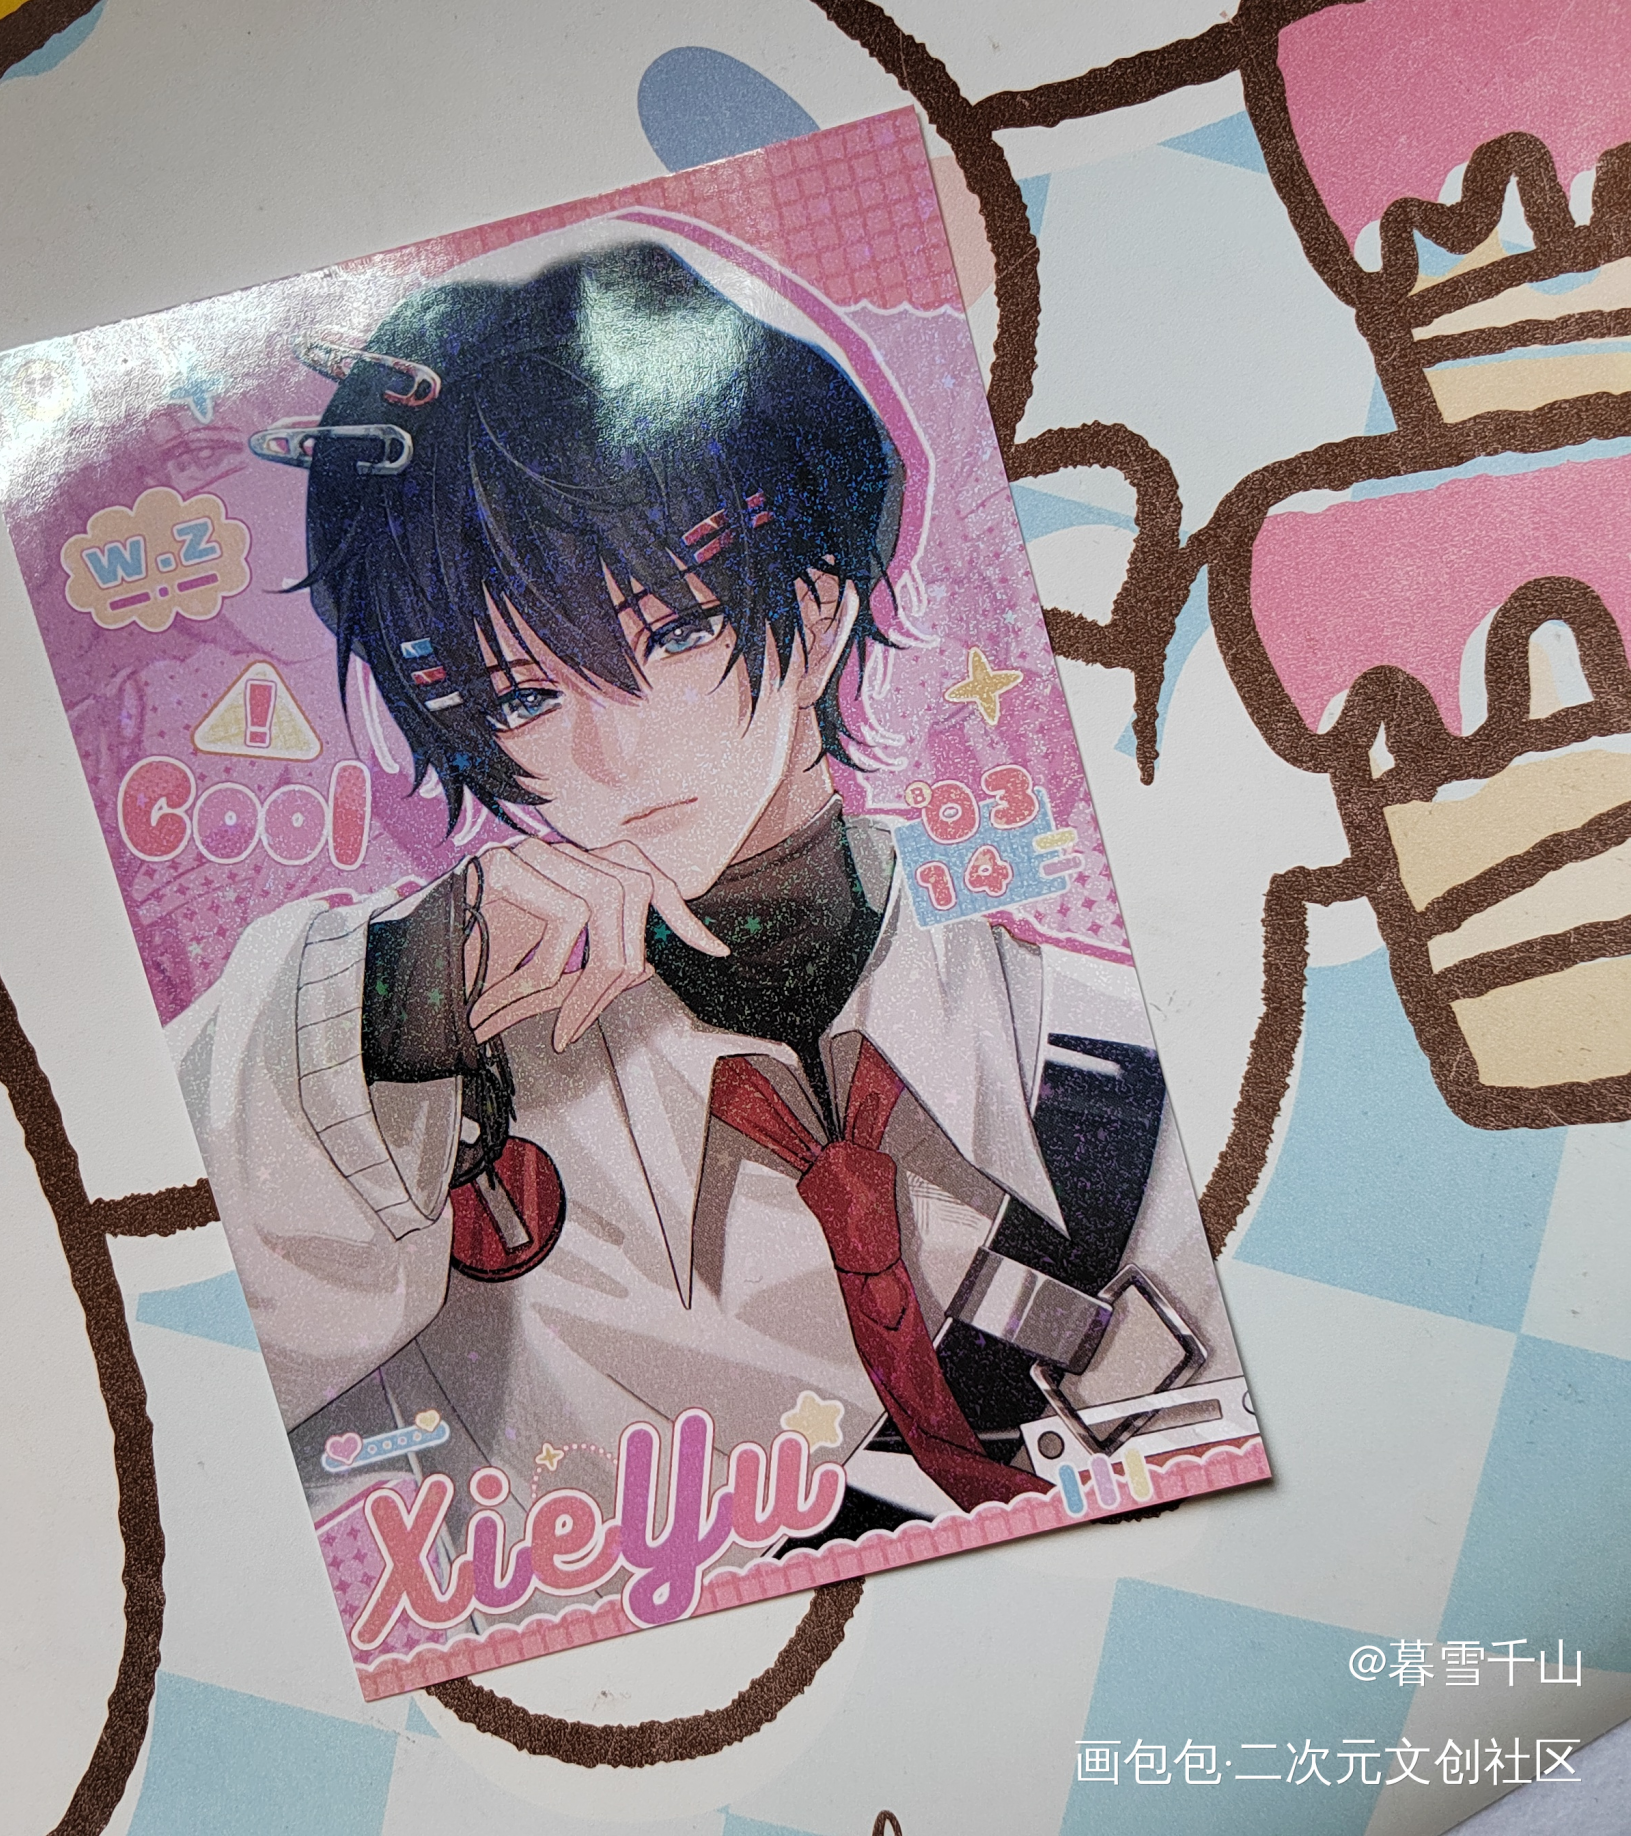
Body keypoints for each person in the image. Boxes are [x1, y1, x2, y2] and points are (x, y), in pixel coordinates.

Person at [170, 235, 1237, 1558]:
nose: (609, 758)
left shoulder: (1094, 1051)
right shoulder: (422, 1121)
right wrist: (392, 1006)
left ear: (820, 603)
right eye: (519, 697)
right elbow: (165, 1384)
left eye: (671, 632)